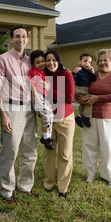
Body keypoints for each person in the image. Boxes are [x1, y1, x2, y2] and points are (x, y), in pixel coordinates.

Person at [0, 25, 39, 204]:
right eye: (17, 36)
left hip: (29, 110)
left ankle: (25, 186)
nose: (21, 39)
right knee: (10, 151)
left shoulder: (31, 61)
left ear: (27, 40)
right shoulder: (2, 60)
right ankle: (7, 192)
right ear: (11, 39)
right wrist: (3, 114)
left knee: (30, 151)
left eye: (24, 36)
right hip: (11, 108)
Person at [78, 49, 111, 186]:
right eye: (100, 60)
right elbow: (82, 88)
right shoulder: (92, 74)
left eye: (106, 60)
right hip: (89, 116)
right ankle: (90, 174)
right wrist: (82, 98)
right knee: (89, 145)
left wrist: (97, 98)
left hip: (109, 118)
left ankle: (109, 176)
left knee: (109, 147)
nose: (102, 62)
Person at [42, 50, 75, 198]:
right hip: (47, 120)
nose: (51, 63)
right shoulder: (43, 75)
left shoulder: (66, 75)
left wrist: (49, 90)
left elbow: (69, 98)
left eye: (54, 60)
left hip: (65, 119)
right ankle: (49, 182)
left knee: (65, 154)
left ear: (58, 60)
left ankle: (62, 187)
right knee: (49, 153)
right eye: (48, 60)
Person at [28, 50, 55, 150]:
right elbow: (31, 84)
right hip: (38, 97)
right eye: (37, 62)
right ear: (33, 64)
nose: (41, 64)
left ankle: (47, 137)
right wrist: (36, 98)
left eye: (42, 61)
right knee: (46, 116)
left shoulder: (45, 72)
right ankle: (46, 137)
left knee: (50, 116)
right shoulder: (33, 72)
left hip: (44, 96)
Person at [72, 53, 97, 128]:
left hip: (85, 90)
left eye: (89, 62)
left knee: (83, 104)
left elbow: (94, 79)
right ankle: (85, 117)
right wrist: (74, 72)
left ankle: (79, 116)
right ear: (80, 62)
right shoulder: (79, 70)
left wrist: (93, 72)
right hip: (80, 89)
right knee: (89, 102)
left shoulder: (88, 71)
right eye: (85, 61)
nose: (87, 63)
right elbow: (73, 79)